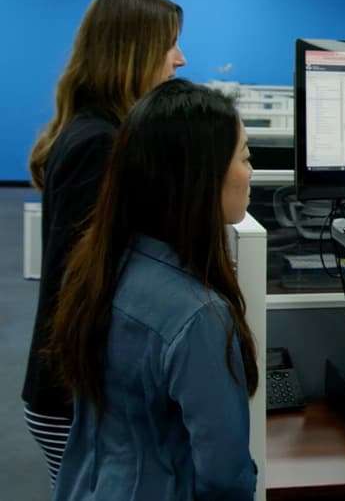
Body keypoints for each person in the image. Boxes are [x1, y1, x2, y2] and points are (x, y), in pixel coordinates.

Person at [48, 79, 258, 500]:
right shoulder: (199, 316)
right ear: (200, 176)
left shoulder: (104, 265)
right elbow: (225, 477)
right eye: (246, 157)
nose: (251, 172)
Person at [22, 0, 185, 484]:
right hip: (75, 394)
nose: (180, 59)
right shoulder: (100, 144)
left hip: (76, 388)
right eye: (170, 44)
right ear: (133, 51)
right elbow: (85, 284)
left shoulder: (100, 131)